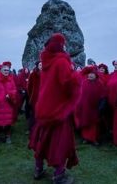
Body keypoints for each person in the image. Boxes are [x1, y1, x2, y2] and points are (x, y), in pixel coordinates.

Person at [29, 33, 81, 184]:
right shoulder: (61, 62)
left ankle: (38, 169)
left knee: (43, 140)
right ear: (60, 46)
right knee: (60, 143)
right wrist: (76, 76)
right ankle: (59, 175)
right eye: (64, 44)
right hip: (58, 109)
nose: (65, 47)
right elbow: (67, 83)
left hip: (45, 107)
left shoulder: (46, 62)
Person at [76, 66, 106, 145]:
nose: (90, 75)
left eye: (92, 74)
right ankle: (85, 138)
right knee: (85, 122)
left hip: (95, 107)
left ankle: (93, 138)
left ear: (96, 75)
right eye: (89, 74)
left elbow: (103, 95)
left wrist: (100, 106)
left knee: (94, 123)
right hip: (84, 106)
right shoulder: (84, 82)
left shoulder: (100, 83)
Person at [0, 61, 17, 144]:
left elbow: (14, 89)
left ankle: (7, 136)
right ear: (0, 70)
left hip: (8, 103)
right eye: (4, 70)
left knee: (8, 121)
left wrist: (10, 94)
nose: (6, 71)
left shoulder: (11, 80)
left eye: (7, 70)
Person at [27, 61, 42, 133]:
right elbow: (29, 86)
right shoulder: (33, 74)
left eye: (43, 64)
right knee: (33, 114)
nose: (41, 66)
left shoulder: (47, 73)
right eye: (40, 65)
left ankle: (41, 129)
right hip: (35, 98)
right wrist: (31, 95)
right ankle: (32, 129)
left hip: (44, 98)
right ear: (37, 66)